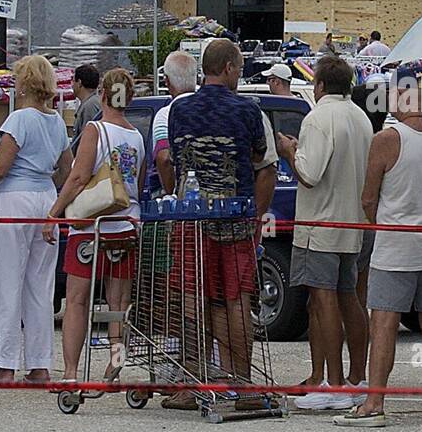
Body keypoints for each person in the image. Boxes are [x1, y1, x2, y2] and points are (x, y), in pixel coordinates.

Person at [336, 68, 422, 427]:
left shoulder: (387, 138)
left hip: (396, 244)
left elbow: (369, 196)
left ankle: (375, 402)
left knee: (385, 322)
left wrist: (379, 221)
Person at [163, 39, 277, 407]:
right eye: (240, 69)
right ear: (228, 67)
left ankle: (194, 381)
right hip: (234, 219)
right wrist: (256, 215)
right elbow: (261, 158)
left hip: (189, 220)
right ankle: (242, 385)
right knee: (236, 300)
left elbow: (169, 159)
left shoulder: (179, 110)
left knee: (192, 298)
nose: (241, 75)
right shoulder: (247, 109)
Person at [275, 54, 372, 411]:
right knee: (350, 299)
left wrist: (289, 151)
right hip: (353, 222)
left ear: (318, 85)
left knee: (324, 299)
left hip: (321, 224)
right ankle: (356, 378)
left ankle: (332, 382)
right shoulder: (360, 117)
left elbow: (310, 174)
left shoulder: (318, 118)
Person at [47, 69, 145, 389]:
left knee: (76, 301)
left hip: (92, 227)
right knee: (119, 304)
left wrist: (55, 212)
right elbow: (137, 185)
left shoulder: (94, 130)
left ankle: (72, 371)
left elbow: (77, 177)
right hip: (126, 224)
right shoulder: (135, 136)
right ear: (128, 98)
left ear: (102, 94)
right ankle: (115, 365)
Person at [0, 55, 72, 383]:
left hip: (12, 200)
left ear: (23, 83)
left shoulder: (18, 120)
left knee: (7, 282)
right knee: (40, 285)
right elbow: (66, 169)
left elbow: (1, 168)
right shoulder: (58, 122)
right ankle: (39, 364)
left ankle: (5, 364)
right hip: (45, 198)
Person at [349, 83, 389, 338]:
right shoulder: (385, 141)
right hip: (374, 224)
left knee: (345, 290)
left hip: (354, 221)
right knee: (361, 289)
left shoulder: (362, 141)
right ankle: (361, 333)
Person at [152, 50, 202, 197]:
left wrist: (171, 193)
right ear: (196, 77)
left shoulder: (165, 115)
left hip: (186, 198)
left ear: (166, 81)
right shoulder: (212, 109)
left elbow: (164, 158)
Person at [70, 64, 102, 153]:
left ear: (79, 83)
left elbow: (88, 141)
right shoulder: (93, 102)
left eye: (73, 81)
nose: (72, 86)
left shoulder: (89, 106)